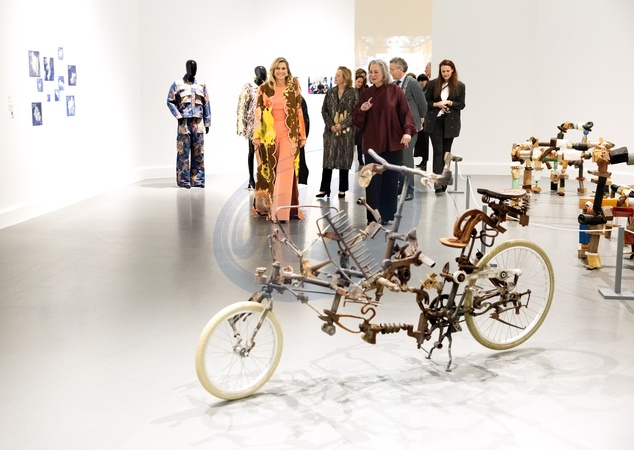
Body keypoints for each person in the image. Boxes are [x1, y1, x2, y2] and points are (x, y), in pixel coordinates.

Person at [352, 59, 417, 225]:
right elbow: (357, 119)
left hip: (392, 143)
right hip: (372, 144)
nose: (373, 75)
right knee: (372, 181)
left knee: (390, 180)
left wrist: (407, 132)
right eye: (371, 72)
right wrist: (362, 110)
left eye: (376, 72)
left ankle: (387, 214)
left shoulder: (395, 91)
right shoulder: (366, 93)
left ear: (384, 73)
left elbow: (405, 113)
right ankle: (373, 216)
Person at [252, 57, 307, 222]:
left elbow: (299, 112)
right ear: (273, 70)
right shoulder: (264, 88)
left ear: (287, 71)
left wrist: (302, 135)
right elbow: (258, 113)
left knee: (286, 170)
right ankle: (269, 207)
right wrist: (256, 136)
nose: (281, 71)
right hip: (269, 136)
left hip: (289, 135)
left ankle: (281, 213)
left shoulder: (293, 88)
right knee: (270, 172)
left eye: (283, 68)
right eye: (278, 68)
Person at [166, 60, 211, 188]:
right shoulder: (177, 84)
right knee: (183, 152)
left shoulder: (201, 85)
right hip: (184, 123)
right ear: (186, 68)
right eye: (191, 67)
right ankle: (183, 180)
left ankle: (197, 180)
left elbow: (206, 103)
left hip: (198, 123)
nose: (193, 70)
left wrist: (207, 122)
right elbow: (170, 101)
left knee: (199, 152)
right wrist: (178, 116)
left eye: (195, 67)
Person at [424, 59, 466, 193]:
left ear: (452, 70)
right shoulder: (433, 84)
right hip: (435, 121)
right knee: (438, 151)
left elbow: (461, 104)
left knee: (446, 153)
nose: (445, 73)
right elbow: (426, 101)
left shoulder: (460, 86)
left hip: (450, 123)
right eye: (443, 71)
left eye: (448, 71)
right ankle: (437, 182)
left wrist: (449, 103)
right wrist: (437, 104)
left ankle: (443, 181)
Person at [316, 66, 358, 199]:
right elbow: (324, 110)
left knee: (344, 160)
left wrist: (342, 125)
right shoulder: (330, 92)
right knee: (328, 161)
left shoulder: (353, 92)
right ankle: (324, 189)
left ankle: (342, 189)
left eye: (338, 75)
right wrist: (331, 125)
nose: (335, 77)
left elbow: (356, 112)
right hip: (331, 133)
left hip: (346, 133)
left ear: (345, 78)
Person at [389, 57, 427, 201]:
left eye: (392, 69)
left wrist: (421, 118)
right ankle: (401, 187)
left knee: (406, 157)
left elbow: (422, 104)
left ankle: (410, 189)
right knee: (398, 159)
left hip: (410, 127)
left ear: (400, 69)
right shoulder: (394, 84)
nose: (391, 72)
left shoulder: (412, 83)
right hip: (398, 127)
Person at [236, 66, 267, 189]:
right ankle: (251, 178)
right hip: (252, 125)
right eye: (261, 73)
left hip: (265, 124)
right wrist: (243, 126)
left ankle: (263, 176)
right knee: (251, 151)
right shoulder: (250, 89)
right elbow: (243, 109)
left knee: (264, 151)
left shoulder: (268, 88)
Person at [414, 73, 430, 169]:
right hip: (421, 119)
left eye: (423, 80)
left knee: (426, 141)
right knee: (422, 141)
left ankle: (426, 160)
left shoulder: (428, 90)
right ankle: (424, 160)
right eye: (419, 81)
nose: (421, 82)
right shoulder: (420, 90)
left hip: (426, 118)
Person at [354, 68, 368, 169]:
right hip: (353, 117)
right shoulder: (351, 91)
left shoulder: (365, 90)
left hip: (361, 117)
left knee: (360, 141)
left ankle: (360, 159)